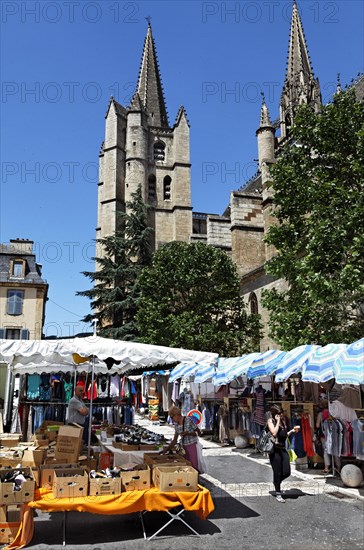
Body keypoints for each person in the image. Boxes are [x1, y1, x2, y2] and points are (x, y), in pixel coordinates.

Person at [267, 405, 300, 503]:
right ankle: (278, 492)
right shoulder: (270, 421)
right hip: (274, 450)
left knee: (286, 472)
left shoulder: (283, 421)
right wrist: (277, 422)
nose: (281, 415)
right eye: (279, 414)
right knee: (277, 472)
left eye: (281, 413)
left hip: (283, 449)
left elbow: (283, 435)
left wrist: (292, 431)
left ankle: (276, 482)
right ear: (274, 414)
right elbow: (274, 432)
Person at [160, 405, 200, 471]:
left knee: (194, 466)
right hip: (183, 448)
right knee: (185, 467)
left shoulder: (188, 420)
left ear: (176, 415)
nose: (172, 420)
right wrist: (166, 449)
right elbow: (174, 440)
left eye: (172, 417)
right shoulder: (177, 426)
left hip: (192, 445)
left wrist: (188, 433)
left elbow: (198, 433)